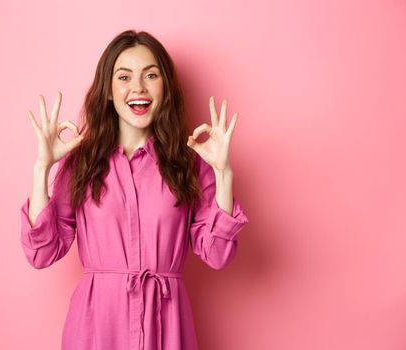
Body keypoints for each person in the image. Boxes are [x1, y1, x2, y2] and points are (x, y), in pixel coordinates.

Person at [20, 29, 249, 350]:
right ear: (109, 91)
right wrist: (42, 168)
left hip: (166, 324)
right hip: (97, 326)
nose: (138, 87)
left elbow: (218, 255)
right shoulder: (83, 161)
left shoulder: (188, 162)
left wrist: (223, 173)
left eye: (151, 75)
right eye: (124, 77)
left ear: (166, 88)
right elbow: (41, 253)